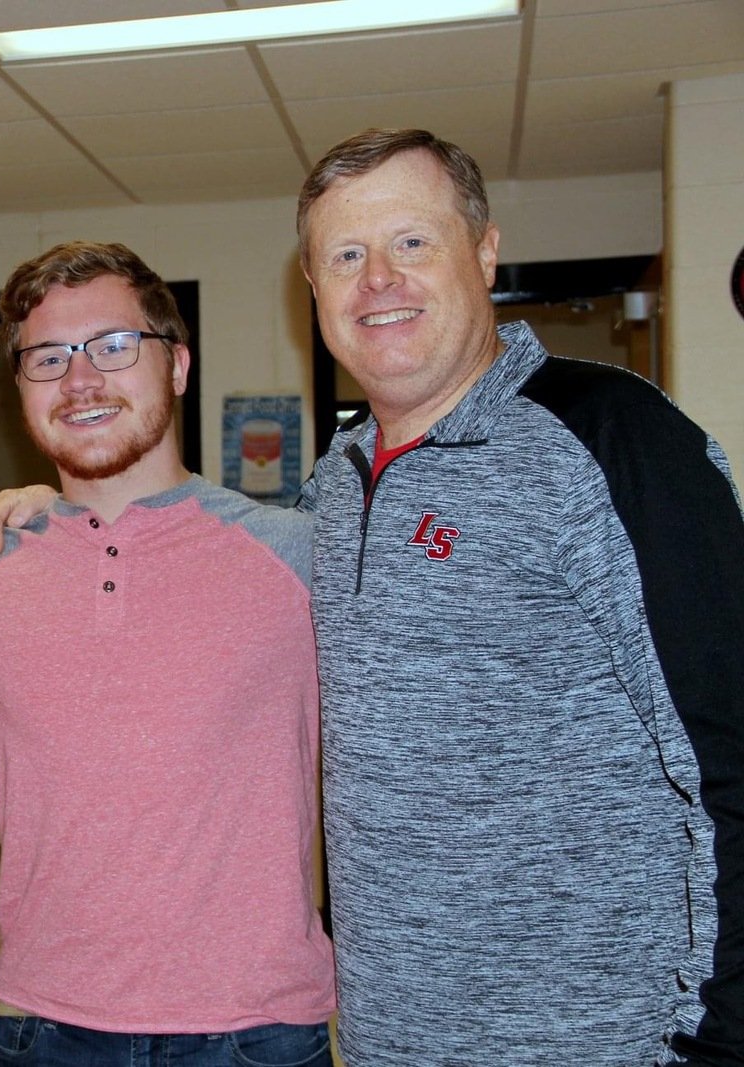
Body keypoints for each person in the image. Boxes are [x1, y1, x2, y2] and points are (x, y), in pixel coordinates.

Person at [297, 128, 744, 1065]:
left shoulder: (614, 439)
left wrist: (719, 1039)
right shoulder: (334, 482)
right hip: (389, 1038)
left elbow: (730, 748)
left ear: (485, 251)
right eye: (345, 255)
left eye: (412, 241)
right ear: (313, 286)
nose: (378, 279)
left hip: (607, 1041)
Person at [0, 241, 334, 1066]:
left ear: (177, 365)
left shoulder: (298, 555)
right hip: (44, 1026)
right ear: (21, 388)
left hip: (255, 1029)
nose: (80, 379)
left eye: (113, 346)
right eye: (48, 357)